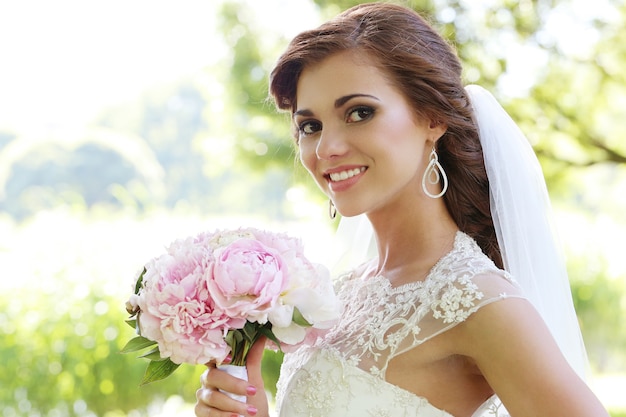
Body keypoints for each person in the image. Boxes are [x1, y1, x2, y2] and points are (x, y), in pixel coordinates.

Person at [195, 3, 609, 416]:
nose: (326, 149)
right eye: (311, 126)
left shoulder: (478, 302)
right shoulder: (338, 294)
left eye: (359, 113)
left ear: (432, 118)